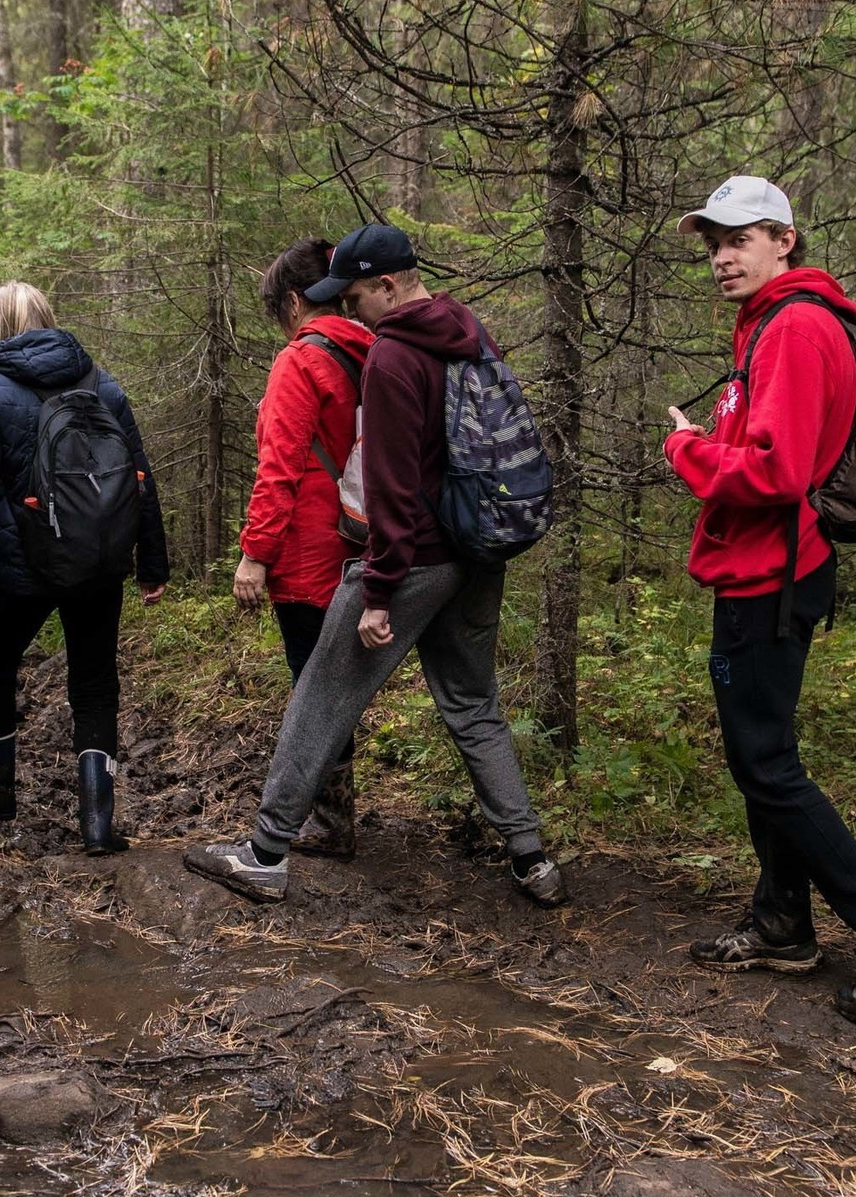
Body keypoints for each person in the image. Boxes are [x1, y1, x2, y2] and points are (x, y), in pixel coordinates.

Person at [184, 224, 568, 908]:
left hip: (411, 554)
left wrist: (382, 590)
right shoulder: (466, 329)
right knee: (474, 705)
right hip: (476, 546)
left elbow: (391, 486)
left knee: (321, 697)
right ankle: (532, 858)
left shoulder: (394, 356)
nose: (350, 308)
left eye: (357, 294)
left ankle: (265, 853)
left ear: (390, 284)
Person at [662, 177, 856, 1027]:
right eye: (713, 241)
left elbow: (779, 473)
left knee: (767, 765)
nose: (721, 255)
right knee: (765, 753)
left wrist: (686, 450)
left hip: (771, 574)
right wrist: (719, 443)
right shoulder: (784, 324)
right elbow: (778, 447)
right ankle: (784, 923)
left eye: (739, 237)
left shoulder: (794, 328)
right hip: (770, 566)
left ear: (785, 239)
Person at [0, 280, 169, 853]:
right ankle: (97, 825)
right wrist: (151, 562)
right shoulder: (100, 380)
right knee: (94, 686)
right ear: (47, 317)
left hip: (23, 566)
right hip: (97, 560)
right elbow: (140, 475)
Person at [232, 238, 375, 859]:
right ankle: (332, 813)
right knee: (336, 679)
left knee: (313, 683)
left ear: (294, 301)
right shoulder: (372, 350)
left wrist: (255, 554)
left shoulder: (300, 361)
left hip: (310, 550)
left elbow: (280, 468)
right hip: (362, 537)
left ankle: (326, 819)